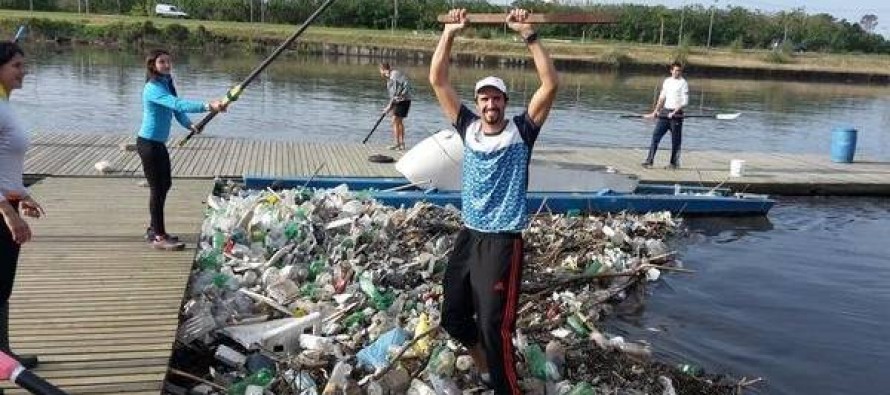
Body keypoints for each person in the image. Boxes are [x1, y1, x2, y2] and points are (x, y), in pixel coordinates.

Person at [429, 8, 558, 394]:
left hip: (503, 241)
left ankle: (507, 388)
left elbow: (550, 84)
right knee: (452, 315)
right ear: (478, 102)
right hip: (469, 235)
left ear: (505, 101)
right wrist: (450, 33)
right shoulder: (467, 128)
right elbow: (437, 79)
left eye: (496, 99)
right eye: (484, 99)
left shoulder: (522, 131)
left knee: (493, 324)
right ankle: (485, 366)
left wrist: (529, 36)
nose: (490, 106)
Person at [138, 49, 225, 250]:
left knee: (165, 184)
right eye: (162, 62)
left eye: (169, 61)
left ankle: (154, 229)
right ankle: (158, 237)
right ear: (153, 65)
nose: (167, 65)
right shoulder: (152, 88)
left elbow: (176, 110)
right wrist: (208, 106)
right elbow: (177, 103)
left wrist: (189, 125)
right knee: (157, 189)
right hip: (148, 144)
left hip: (158, 144)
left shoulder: (166, 82)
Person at [0, 41, 43, 369]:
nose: (23, 71)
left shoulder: (5, 103)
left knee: (2, 286)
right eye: (16, 65)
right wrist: (8, 212)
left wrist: (22, 194)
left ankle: (5, 355)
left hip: (10, 201)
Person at [642, 62, 688, 169]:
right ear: (671, 71)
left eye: (679, 71)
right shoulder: (667, 81)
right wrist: (655, 112)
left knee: (675, 140)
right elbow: (662, 98)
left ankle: (674, 163)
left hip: (676, 115)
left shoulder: (683, 83)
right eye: (676, 70)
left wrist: (674, 112)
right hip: (665, 112)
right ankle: (649, 161)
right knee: (655, 136)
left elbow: (685, 102)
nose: (678, 72)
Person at [378, 63, 411, 150]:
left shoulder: (394, 76)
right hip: (401, 100)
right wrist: (389, 106)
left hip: (403, 100)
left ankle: (397, 143)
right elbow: (393, 95)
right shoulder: (391, 77)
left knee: (395, 121)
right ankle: (401, 143)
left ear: (383, 69)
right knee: (398, 121)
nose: (380, 73)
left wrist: (389, 107)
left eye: (380, 70)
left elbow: (397, 92)